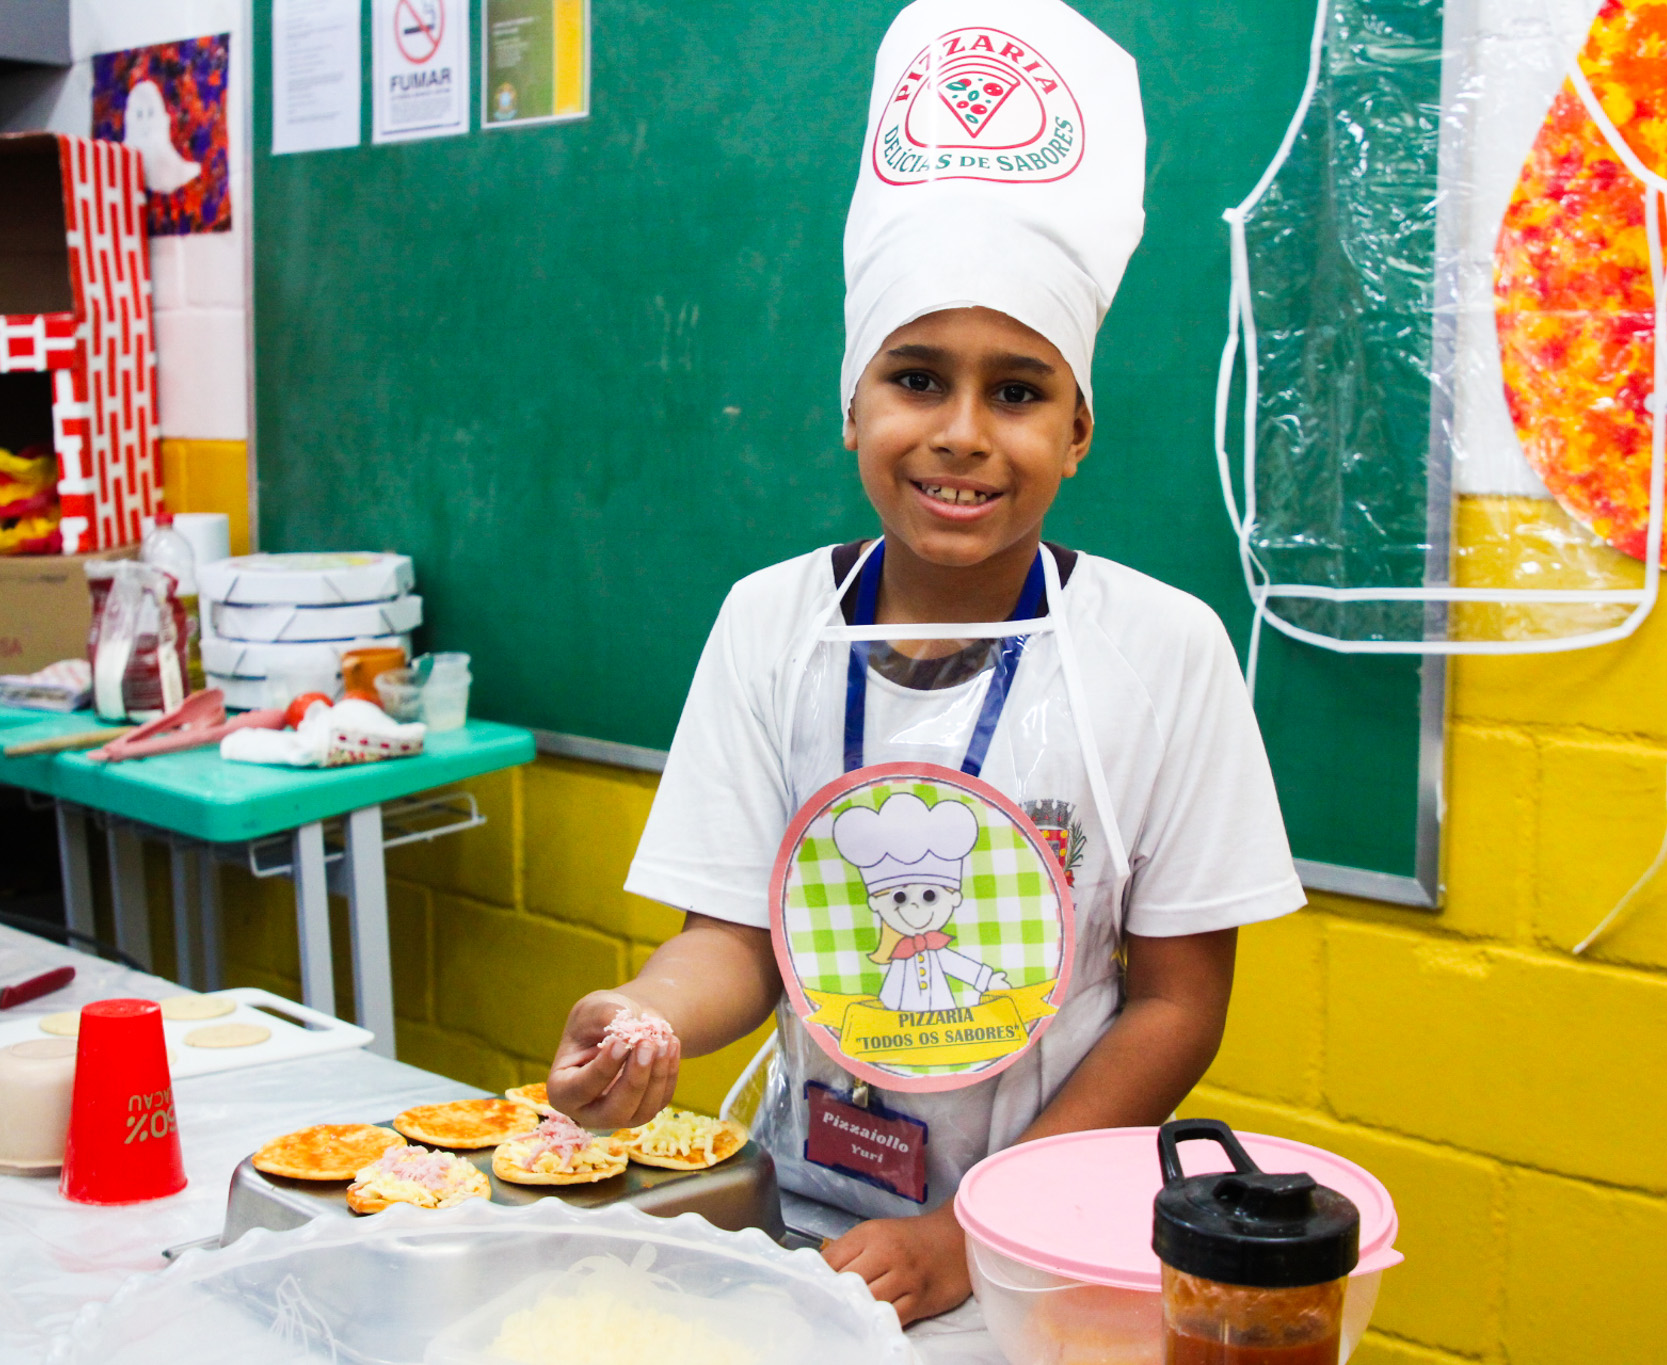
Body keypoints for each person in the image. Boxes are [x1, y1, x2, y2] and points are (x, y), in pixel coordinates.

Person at [544, 0, 1304, 1327]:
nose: (961, 433)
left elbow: (1180, 1004)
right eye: (916, 378)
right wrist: (643, 1014)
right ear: (853, 403)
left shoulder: (1165, 653)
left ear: (1079, 430)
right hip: (802, 1221)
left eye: (1017, 391)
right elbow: (733, 936)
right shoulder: (769, 624)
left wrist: (973, 1228)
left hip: (1043, 1239)